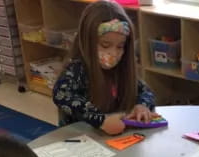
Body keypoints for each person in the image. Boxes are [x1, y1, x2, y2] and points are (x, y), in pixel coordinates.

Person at [53, 0, 156, 135]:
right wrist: (101, 121)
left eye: (120, 46)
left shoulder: (121, 70)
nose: (113, 53)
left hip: (112, 140)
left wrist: (142, 106)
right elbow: (61, 95)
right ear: (87, 41)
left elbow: (146, 91)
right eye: (105, 45)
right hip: (81, 142)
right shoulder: (77, 69)